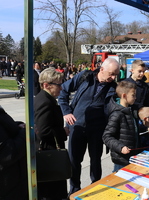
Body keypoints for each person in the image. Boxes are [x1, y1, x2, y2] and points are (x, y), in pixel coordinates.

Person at [58, 58, 120, 195]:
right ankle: (74, 191)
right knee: (74, 161)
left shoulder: (113, 88)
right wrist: (66, 112)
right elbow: (63, 91)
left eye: (116, 74)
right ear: (101, 69)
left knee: (95, 161)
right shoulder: (85, 77)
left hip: (97, 129)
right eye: (111, 73)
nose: (113, 77)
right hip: (77, 126)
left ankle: (95, 189)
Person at [34, 68, 68, 200]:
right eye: (58, 85)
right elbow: (43, 131)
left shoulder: (46, 98)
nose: (61, 88)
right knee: (52, 191)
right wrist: (63, 132)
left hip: (49, 151)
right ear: (46, 85)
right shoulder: (45, 102)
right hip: (49, 153)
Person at [102, 81, 139, 172]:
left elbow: (132, 128)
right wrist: (120, 147)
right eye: (133, 95)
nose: (135, 98)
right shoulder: (117, 114)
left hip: (132, 156)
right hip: (121, 159)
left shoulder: (131, 110)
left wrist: (146, 129)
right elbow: (106, 136)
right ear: (124, 96)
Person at [0, 106, 28, 200]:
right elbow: (7, 154)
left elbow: (4, 126)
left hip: (15, 183)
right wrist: (26, 134)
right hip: (7, 187)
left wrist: (18, 126)